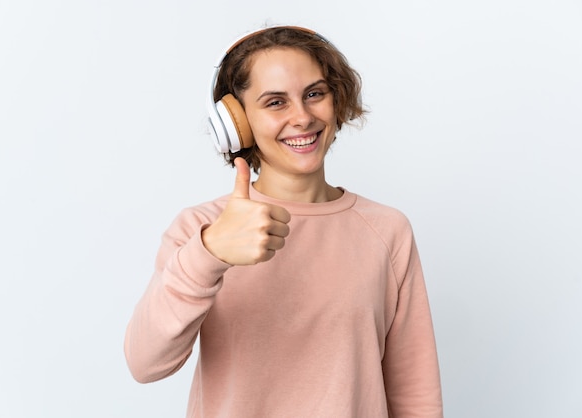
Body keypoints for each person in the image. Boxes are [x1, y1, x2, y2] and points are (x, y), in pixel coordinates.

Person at [124, 25, 443, 418]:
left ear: (335, 99)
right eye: (275, 102)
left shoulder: (388, 229)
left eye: (314, 94)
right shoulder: (202, 227)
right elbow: (146, 364)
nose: (302, 117)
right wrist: (209, 254)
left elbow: (414, 394)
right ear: (237, 123)